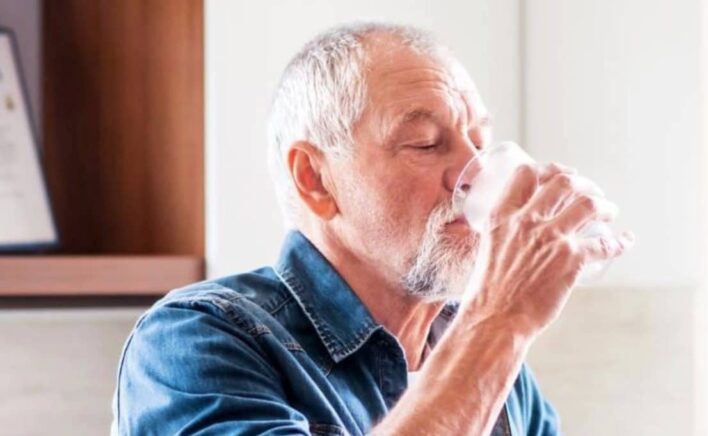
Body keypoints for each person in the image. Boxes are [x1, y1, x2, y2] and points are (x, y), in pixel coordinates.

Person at [111, 21, 633, 436]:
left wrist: (494, 328)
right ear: (315, 179)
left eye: (479, 141)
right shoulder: (196, 341)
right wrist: (499, 320)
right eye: (426, 143)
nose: (473, 173)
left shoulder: (484, 351)